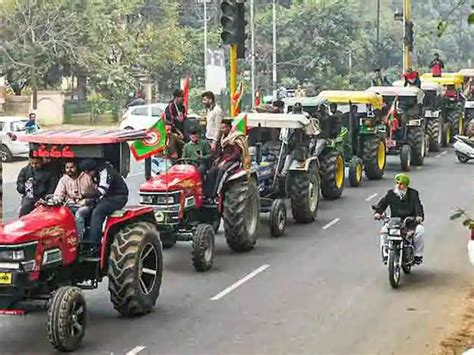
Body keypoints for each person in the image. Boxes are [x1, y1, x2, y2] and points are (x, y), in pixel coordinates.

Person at [372, 173, 425, 264]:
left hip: (410, 222)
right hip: (394, 222)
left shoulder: (413, 194)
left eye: (401, 184)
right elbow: (382, 204)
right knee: (384, 231)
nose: (398, 186)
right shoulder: (391, 193)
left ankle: (417, 255)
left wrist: (419, 216)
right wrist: (378, 213)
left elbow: (418, 206)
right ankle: (386, 254)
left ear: (406, 185)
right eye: (397, 183)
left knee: (420, 230)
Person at [79, 159, 129, 255]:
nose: (88, 174)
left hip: (118, 197)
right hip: (107, 196)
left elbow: (101, 191)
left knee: (98, 211)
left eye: (88, 172)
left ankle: (95, 246)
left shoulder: (105, 171)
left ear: (93, 169)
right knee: (88, 209)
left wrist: (85, 197)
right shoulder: (95, 173)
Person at [203, 118, 250, 200]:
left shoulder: (235, 138)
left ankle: (217, 193)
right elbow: (220, 151)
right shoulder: (222, 138)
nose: (222, 130)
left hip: (233, 161)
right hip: (223, 160)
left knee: (222, 171)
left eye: (224, 128)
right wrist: (218, 158)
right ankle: (208, 194)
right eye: (221, 128)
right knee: (211, 171)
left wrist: (226, 160)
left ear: (229, 128)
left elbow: (236, 154)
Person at [54, 160, 98, 240]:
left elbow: (97, 192)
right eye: (67, 168)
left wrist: (89, 200)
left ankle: (79, 239)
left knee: (79, 214)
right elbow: (58, 194)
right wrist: (57, 200)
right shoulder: (64, 179)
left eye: (72, 167)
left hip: (87, 205)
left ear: (77, 167)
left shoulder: (87, 177)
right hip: (70, 205)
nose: (69, 170)